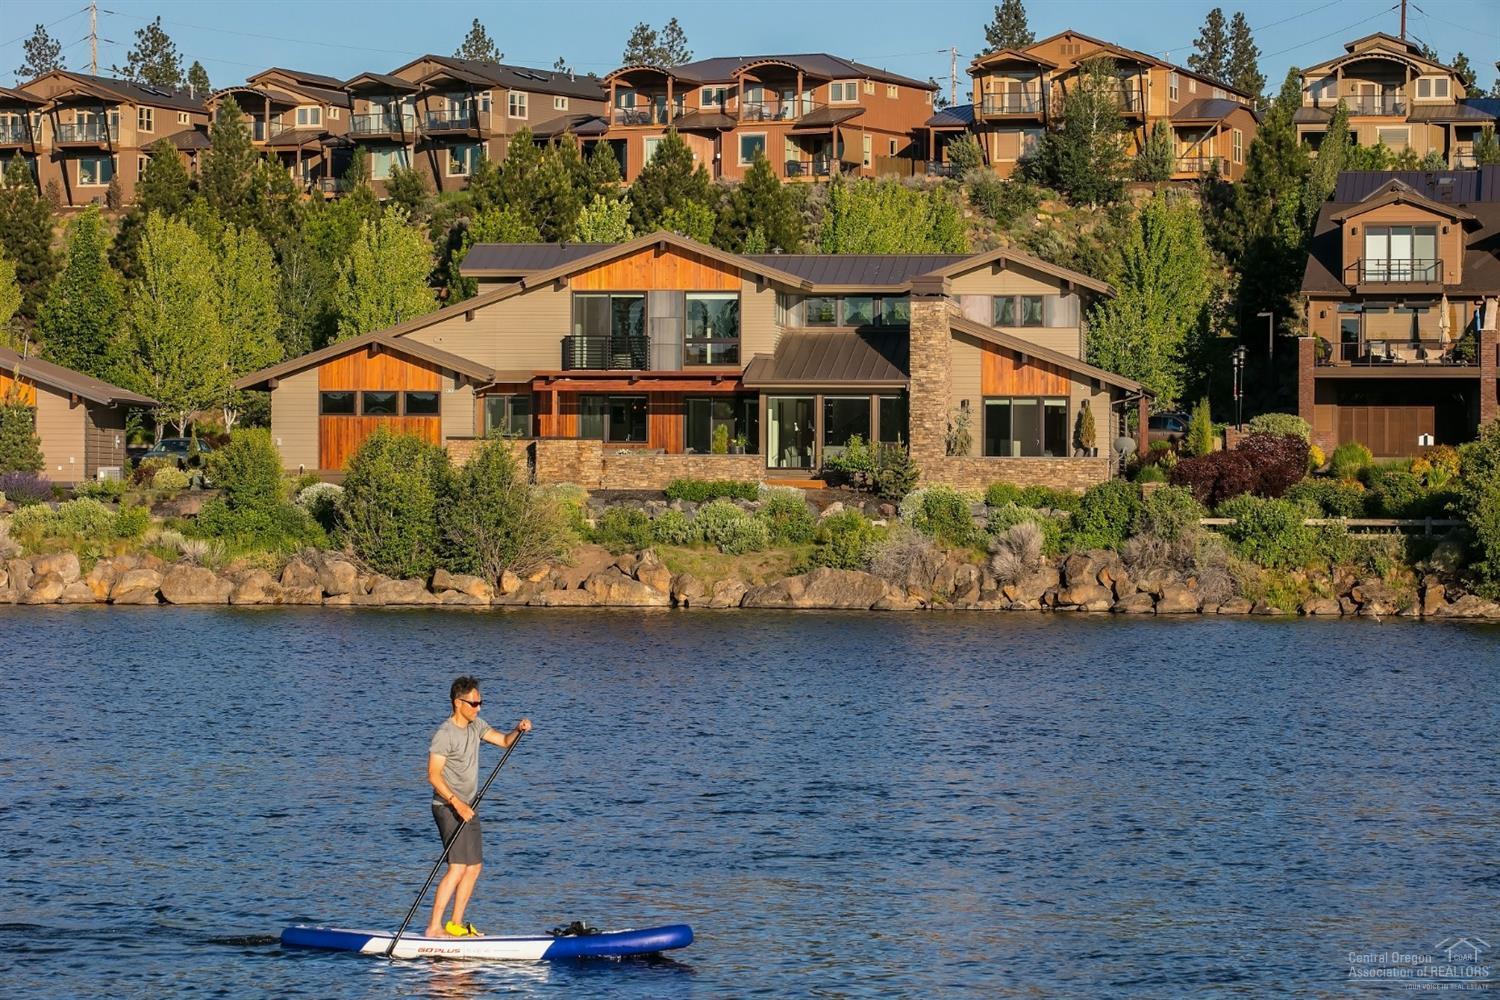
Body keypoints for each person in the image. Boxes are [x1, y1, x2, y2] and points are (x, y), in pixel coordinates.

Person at [423, 675, 531, 938]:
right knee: (457, 866)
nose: (478, 707)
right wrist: (457, 803)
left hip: (469, 806)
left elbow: (505, 741)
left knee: (475, 866)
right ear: (457, 703)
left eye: (480, 702)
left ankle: (455, 925)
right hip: (447, 806)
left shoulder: (476, 725)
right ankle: (433, 928)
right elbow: (433, 775)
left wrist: (518, 730)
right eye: (473, 703)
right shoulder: (444, 734)